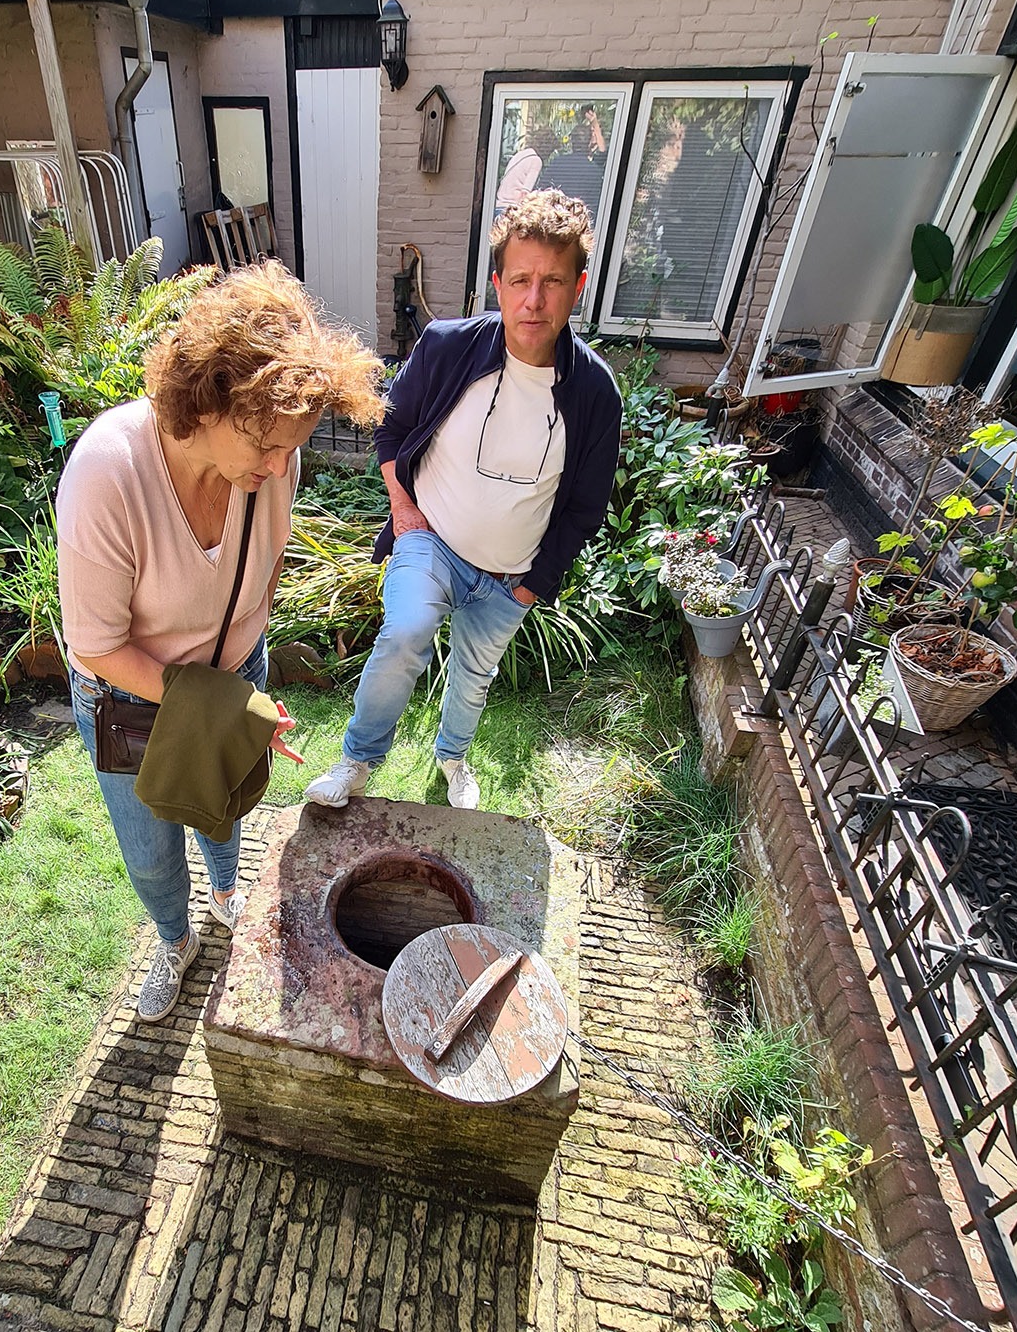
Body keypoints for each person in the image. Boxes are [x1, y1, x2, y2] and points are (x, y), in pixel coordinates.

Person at [59, 261, 384, 1021]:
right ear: (204, 402)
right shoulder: (110, 474)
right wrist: (223, 707)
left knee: (226, 805)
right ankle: (175, 939)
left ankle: (230, 893)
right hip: (130, 696)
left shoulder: (275, 456)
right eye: (265, 448)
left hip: (233, 672)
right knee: (149, 846)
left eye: (290, 449)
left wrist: (242, 683)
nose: (278, 469)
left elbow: (261, 571)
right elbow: (98, 647)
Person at [305, 190, 622, 813]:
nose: (535, 300)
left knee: (473, 678)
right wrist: (402, 507)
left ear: (576, 287)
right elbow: (391, 427)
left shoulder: (593, 394)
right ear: (498, 283)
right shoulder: (450, 348)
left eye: (552, 282)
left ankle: (452, 758)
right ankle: (357, 762)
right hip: (432, 541)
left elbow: (585, 506)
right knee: (406, 633)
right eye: (522, 280)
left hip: (511, 576)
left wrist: (534, 584)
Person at [540, 115, 608, 221]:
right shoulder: (595, 171)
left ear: (571, 142)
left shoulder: (557, 163)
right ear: (589, 143)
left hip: (557, 221)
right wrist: (595, 125)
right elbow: (603, 152)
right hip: (580, 224)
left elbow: (542, 190)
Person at [493, 125, 560, 213]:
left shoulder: (521, 154)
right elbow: (525, 193)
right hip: (513, 209)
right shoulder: (536, 160)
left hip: (499, 206)